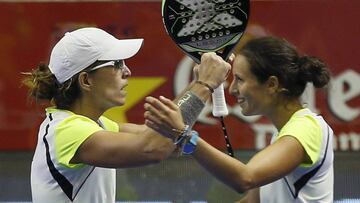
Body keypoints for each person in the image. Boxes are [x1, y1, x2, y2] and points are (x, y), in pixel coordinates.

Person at [22, 27, 231, 203]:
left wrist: (197, 82)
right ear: (86, 80)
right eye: (116, 64)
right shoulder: (66, 131)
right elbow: (153, 147)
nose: (127, 71)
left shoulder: (93, 125)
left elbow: (159, 133)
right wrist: (205, 84)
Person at [143, 36, 334, 202]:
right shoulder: (284, 133)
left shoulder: (306, 128)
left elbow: (245, 178)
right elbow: (253, 201)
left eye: (240, 79)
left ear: (272, 84)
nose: (232, 89)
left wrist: (185, 137)